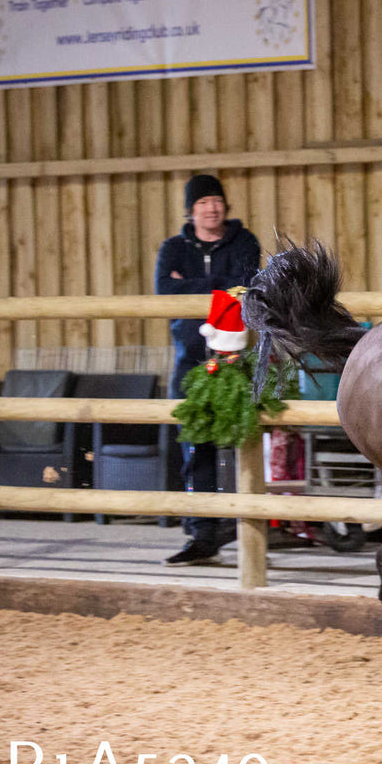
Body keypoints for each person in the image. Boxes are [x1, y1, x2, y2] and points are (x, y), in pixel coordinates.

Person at [156, 172, 261, 564]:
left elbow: (249, 284)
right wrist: (221, 285)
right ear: (191, 210)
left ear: (224, 205)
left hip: (235, 358)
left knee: (245, 441)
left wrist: (197, 284)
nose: (211, 208)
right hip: (189, 359)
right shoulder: (172, 248)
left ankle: (247, 527)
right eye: (202, 203)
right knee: (195, 444)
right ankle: (202, 532)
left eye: (216, 201)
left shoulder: (245, 241)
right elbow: (164, 290)